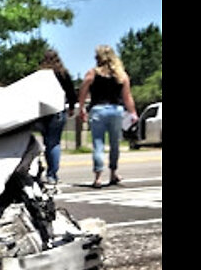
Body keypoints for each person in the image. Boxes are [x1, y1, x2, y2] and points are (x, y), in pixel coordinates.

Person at [77, 44, 137, 188]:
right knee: (114, 143)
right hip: (116, 110)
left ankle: (98, 178)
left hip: (98, 110)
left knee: (98, 144)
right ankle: (113, 173)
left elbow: (83, 91)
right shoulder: (121, 75)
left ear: (98, 58)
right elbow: (127, 97)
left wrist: (81, 108)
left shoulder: (92, 73)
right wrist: (133, 112)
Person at [37, 49, 77, 185]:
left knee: (46, 142)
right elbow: (71, 92)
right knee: (54, 143)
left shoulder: (40, 75)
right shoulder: (63, 73)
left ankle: (46, 172)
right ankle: (52, 174)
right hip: (58, 111)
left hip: (42, 112)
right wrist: (71, 107)